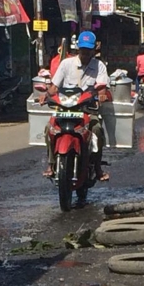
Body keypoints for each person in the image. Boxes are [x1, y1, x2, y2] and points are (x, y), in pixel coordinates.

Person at [39, 30, 110, 182]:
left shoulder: (100, 66)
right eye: (82, 49)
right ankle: (51, 164)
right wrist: (46, 94)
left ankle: (97, 168)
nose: (85, 53)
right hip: (65, 108)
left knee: (97, 130)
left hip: (86, 109)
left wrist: (102, 95)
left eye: (88, 50)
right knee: (49, 129)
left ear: (94, 49)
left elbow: (102, 88)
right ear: (78, 48)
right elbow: (54, 87)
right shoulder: (66, 64)